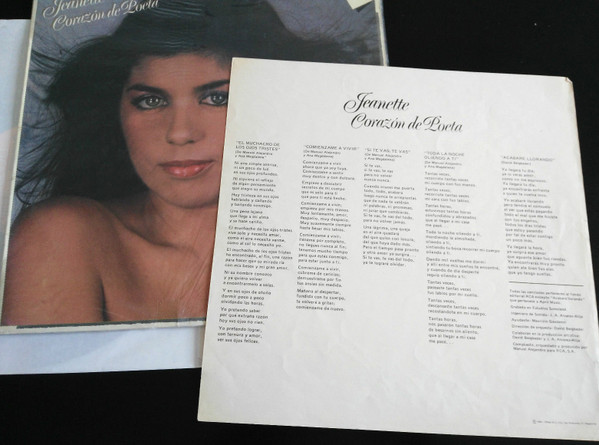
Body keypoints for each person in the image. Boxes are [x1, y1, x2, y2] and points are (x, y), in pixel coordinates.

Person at [1, 0, 368, 325]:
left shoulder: (333, 245)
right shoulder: (64, 235)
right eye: (150, 101)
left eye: (216, 98)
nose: (179, 133)